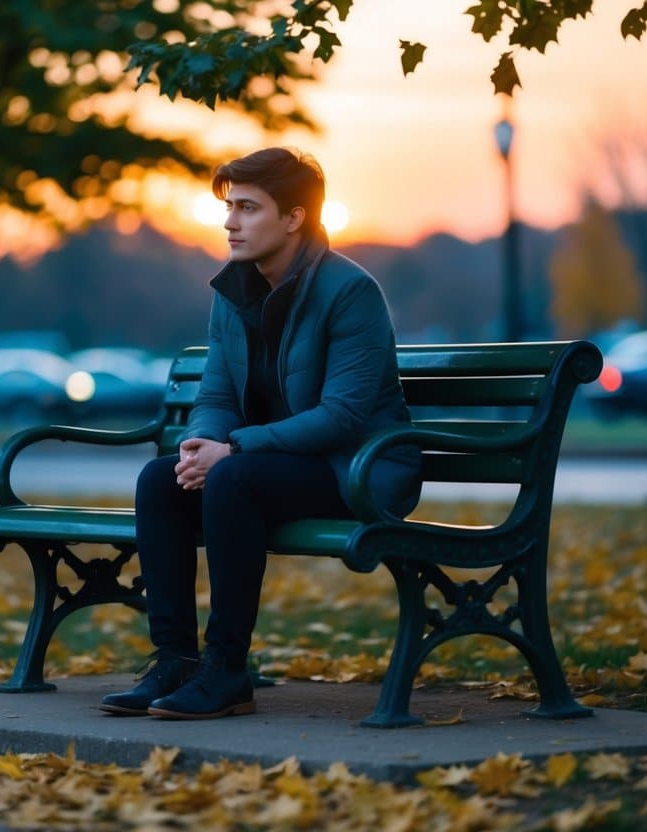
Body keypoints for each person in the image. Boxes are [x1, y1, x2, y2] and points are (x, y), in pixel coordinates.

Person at [100, 147, 422, 720]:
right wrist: (200, 445)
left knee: (234, 479)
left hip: (359, 468)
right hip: (273, 466)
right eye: (229, 208)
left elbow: (341, 417)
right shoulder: (234, 294)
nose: (230, 222)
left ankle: (226, 669)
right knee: (159, 480)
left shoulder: (350, 292)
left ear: (295, 217)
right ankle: (175, 661)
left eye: (248, 208)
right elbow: (217, 395)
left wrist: (235, 449)